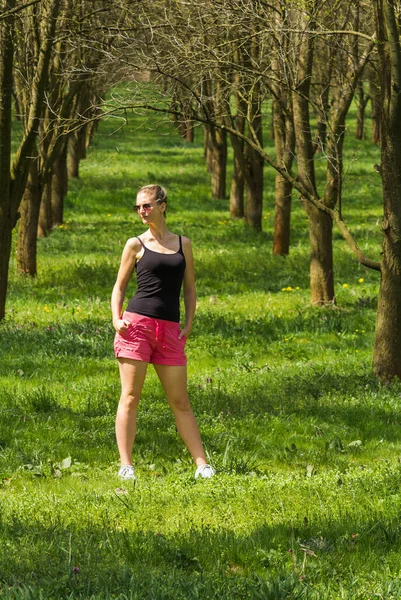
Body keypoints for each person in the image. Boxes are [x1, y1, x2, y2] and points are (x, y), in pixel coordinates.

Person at [111, 184, 215, 481]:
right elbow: (119, 287)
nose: (142, 211)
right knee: (130, 396)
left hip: (170, 330)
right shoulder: (135, 244)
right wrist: (116, 319)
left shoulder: (184, 243)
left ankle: (202, 465)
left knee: (180, 401)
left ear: (163, 205)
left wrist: (190, 322)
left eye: (146, 205)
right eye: (138, 207)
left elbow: (190, 287)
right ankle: (126, 466)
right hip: (137, 327)